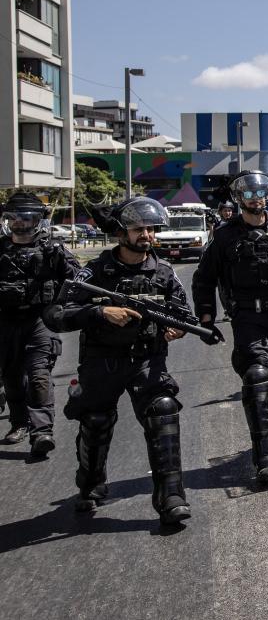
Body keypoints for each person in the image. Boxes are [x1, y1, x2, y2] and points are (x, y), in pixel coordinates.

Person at [43, 197, 192, 524]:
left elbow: (183, 314)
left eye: (151, 229)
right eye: (139, 229)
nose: (147, 235)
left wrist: (175, 329)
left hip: (147, 362)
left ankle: (171, 496)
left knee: (164, 412)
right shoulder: (94, 271)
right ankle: (91, 483)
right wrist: (99, 312)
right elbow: (56, 314)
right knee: (95, 422)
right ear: (121, 233)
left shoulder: (163, 273)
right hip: (102, 362)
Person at [191, 170, 268, 486]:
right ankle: (264, 456)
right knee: (257, 375)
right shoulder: (224, 237)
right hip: (248, 317)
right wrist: (206, 317)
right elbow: (204, 279)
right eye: (248, 194)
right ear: (238, 199)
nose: (256, 198)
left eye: (261, 192)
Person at [0, 193, 77, 455]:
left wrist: (60, 260)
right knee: (11, 377)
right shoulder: (1, 249)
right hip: (6, 321)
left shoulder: (52, 249)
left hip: (39, 320)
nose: (19, 223)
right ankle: (19, 424)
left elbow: (78, 279)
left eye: (26, 218)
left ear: (37, 220)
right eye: (14, 218)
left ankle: (42, 431)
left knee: (38, 376)